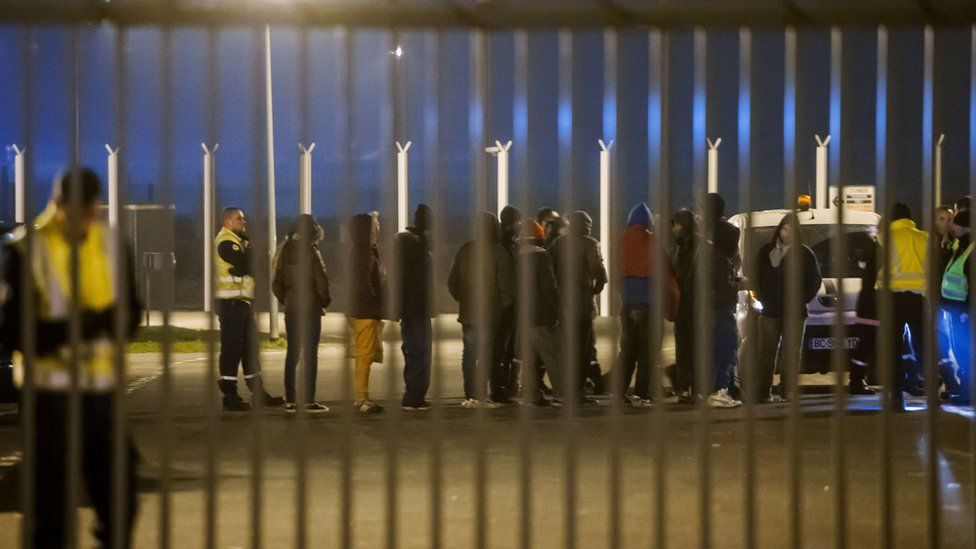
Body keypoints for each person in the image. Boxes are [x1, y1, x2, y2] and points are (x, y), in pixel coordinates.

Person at [0, 168, 141, 547]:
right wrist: (86, 325)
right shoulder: (26, 248)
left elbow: (132, 316)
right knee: (50, 513)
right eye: (73, 210)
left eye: (89, 209)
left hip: (100, 396)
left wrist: (115, 322)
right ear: (57, 203)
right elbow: (13, 332)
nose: (82, 219)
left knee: (122, 496)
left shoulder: (112, 244)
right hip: (49, 398)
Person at [215, 207, 285, 411]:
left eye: (243, 218)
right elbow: (248, 265)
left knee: (250, 348)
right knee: (232, 349)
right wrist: (248, 260)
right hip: (230, 304)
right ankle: (230, 394)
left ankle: (258, 392)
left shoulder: (240, 242)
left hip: (242, 303)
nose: (243, 222)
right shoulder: (226, 243)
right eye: (239, 219)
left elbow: (256, 265)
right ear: (227, 222)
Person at [613, 202, 679, 405]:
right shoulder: (653, 243)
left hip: (628, 304)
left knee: (627, 350)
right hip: (650, 305)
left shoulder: (620, 242)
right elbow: (666, 275)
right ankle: (641, 394)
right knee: (648, 351)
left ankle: (618, 393)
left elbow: (615, 275)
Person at [754, 212, 822, 402]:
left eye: (792, 230)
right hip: (770, 312)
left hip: (795, 312)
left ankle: (787, 391)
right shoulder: (765, 251)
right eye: (785, 228)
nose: (787, 233)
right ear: (779, 229)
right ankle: (763, 391)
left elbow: (815, 280)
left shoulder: (805, 254)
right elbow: (756, 279)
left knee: (792, 355)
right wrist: (763, 298)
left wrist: (802, 299)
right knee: (766, 353)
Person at [448, 212, 515, 407]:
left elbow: (452, 282)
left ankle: (470, 395)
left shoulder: (465, 250)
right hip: (491, 314)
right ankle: (481, 395)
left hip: (469, 313)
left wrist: (463, 300)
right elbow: (507, 289)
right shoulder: (499, 252)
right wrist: (502, 307)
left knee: (469, 354)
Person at [272, 214, 331, 413]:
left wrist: (287, 300)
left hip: (292, 309)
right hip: (311, 308)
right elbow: (321, 282)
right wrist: (324, 302)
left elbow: (276, 283)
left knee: (292, 353)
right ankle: (308, 400)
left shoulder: (283, 251)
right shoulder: (312, 252)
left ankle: (290, 401)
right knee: (310, 354)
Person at [549, 210, 608, 406]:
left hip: (561, 305)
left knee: (566, 349)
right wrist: (596, 288)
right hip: (582, 306)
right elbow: (598, 271)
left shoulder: (558, 244)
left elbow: (549, 270)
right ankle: (577, 391)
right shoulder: (590, 244)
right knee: (583, 350)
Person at [879, 203, 929, 409]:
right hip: (919, 298)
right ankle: (933, 390)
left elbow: (874, 269)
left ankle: (896, 396)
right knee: (923, 346)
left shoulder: (884, 239)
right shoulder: (924, 238)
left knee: (893, 348)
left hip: (893, 299)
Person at [516, 219, 565, 406]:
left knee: (530, 358)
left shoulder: (517, 257)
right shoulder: (540, 257)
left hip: (524, 316)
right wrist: (560, 312)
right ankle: (561, 395)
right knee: (553, 355)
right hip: (542, 315)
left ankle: (530, 396)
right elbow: (549, 288)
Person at [393, 204, 434, 411]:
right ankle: (414, 396)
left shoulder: (405, 244)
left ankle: (412, 393)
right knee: (420, 351)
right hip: (418, 309)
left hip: (409, 309)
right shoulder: (417, 246)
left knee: (411, 350)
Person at [347, 212, 387, 414]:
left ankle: (362, 396)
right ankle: (361, 399)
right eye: (374, 226)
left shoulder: (365, 251)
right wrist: (376, 301)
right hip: (365, 310)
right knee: (364, 354)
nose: (378, 229)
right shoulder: (363, 253)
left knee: (366, 354)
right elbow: (363, 283)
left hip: (365, 309)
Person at [941, 209, 974, 405]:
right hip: (955, 310)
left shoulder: (971, 249)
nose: (952, 226)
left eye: (956, 223)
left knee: (965, 351)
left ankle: (969, 393)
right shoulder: (961, 246)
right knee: (961, 350)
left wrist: (967, 311)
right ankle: (965, 389)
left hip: (964, 312)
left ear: (965, 227)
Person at [495, 206, 524, 404]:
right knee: (500, 350)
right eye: (518, 222)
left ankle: (506, 388)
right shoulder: (503, 246)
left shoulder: (511, 244)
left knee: (508, 349)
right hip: (505, 306)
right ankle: (500, 390)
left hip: (511, 305)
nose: (520, 225)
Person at [671, 209, 699, 400]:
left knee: (696, 348)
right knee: (682, 348)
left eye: (678, 224)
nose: (674, 229)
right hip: (681, 305)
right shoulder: (677, 249)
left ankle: (696, 388)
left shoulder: (700, 248)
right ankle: (683, 387)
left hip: (696, 305)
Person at [848, 229, 880, 395]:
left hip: (866, 306)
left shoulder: (866, 258)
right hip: (874, 306)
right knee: (867, 346)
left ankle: (856, 381)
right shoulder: (878, 253)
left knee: (865, 346)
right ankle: (857, 382)